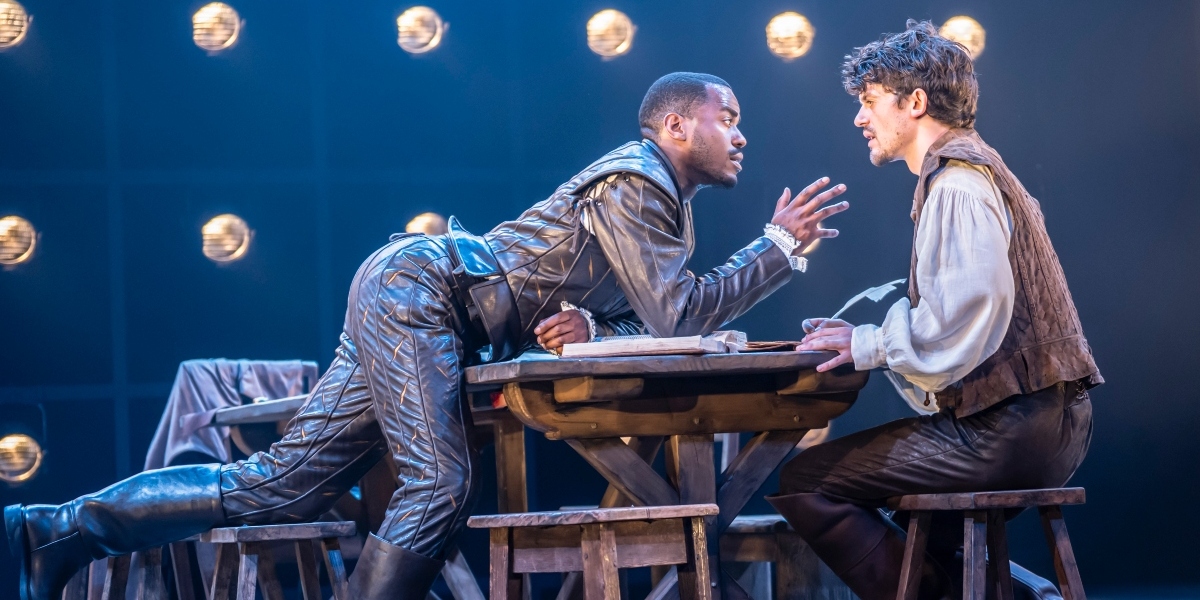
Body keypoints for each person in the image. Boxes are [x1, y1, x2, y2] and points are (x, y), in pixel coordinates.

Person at [6, 72, 850, 600]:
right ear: (675, 127)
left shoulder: (650, 196)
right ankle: (60, 528)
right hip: (422, 293)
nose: (742, 134)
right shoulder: (640, 182)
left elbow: (636, 305)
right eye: (727, 117)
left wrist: (592, 319)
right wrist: (776, 249)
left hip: (417, 294)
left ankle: (56, 529)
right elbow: (678, 315)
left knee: (280, 487)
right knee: (439, 486)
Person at [768, 21, 1102, 600]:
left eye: (870, 102)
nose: (859, 118)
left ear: (915, 102)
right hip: (1049, 424)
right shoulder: (973, 170)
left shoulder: (958, 182)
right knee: (926, 532)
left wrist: (867, 344)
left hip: (1012, 429)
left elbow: (968, 310)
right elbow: (963, 308)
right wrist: (865, 336)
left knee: (806, 482)